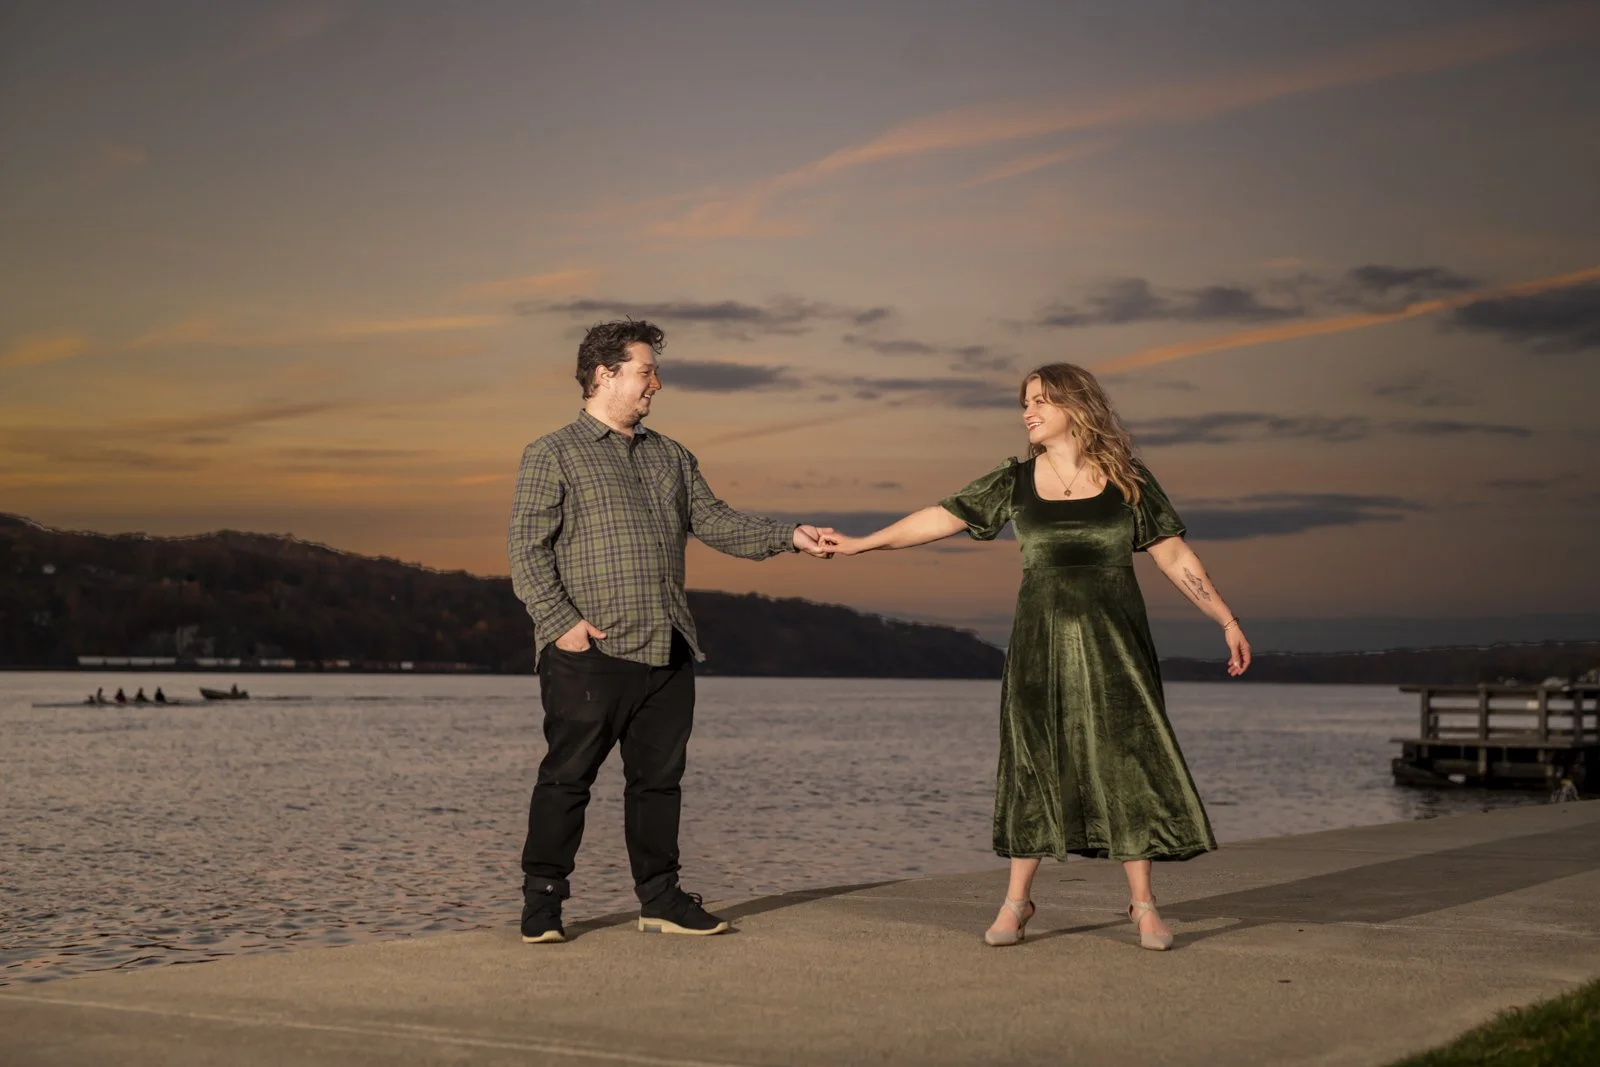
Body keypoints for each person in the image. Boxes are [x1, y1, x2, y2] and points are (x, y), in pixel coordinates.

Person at [822, 363, 1250, 952]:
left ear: (1076, 406)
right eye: (1026, 402)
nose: (1028, 411)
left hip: (1116, 648)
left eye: (1042, 401)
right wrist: (861, 544)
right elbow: (941, 517)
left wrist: (1226, 620)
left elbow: (1175, 556)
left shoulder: (1129, 481)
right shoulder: (1016, 481)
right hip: (1038, 648)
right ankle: (1017, 902)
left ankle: (1144, 905)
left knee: (1127, 759)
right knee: (1034, 759)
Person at [508, 318, 834, 945]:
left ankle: (660, 899)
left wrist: (790, 537)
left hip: (669, 647)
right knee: (566, 779)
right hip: (590, 650)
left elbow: (717, 522)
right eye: (645, 370)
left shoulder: (671, 455)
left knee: (658, 785)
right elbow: (526, 553)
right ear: (605, 375)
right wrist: (561, 626)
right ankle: (543, 904)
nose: (656, 383)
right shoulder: (552, 453)